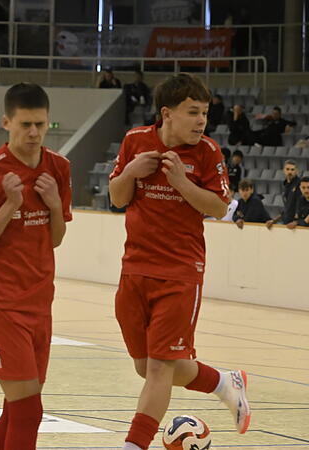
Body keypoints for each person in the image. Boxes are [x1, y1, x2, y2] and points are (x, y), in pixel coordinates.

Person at [107, 73, 249, 450]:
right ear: (167, 114)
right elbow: (118, 197)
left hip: (181, 273)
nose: (201, 121)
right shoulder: (135, 141)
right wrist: (131, 171)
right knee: (148, 366)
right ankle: (223, 382)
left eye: (204, 113)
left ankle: (133, 445)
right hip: (134, 268)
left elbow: (219, 207)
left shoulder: (208, 152)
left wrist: (183, 183)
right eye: (193, 112)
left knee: (158, 368)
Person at [0, 83, 72, 449]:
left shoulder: (59, 168)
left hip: (40, 307)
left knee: (16, 409)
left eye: (41, 124)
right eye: (25, 124)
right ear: (6, 122)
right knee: (27, 410)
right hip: (0, 308)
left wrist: (54, 204)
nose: (35, 133)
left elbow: (55, 239)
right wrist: (9, 206)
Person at [266, 160, 301, 229]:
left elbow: (300, 205)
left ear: (296, 171)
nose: (290, 172)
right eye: (287, 169)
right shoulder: (285, 185)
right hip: (287, 222)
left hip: (296, 225)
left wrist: (296, 221)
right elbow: (286, 207)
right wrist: (274, 220)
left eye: (292, 169)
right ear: (283, 170)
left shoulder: (300, 184)